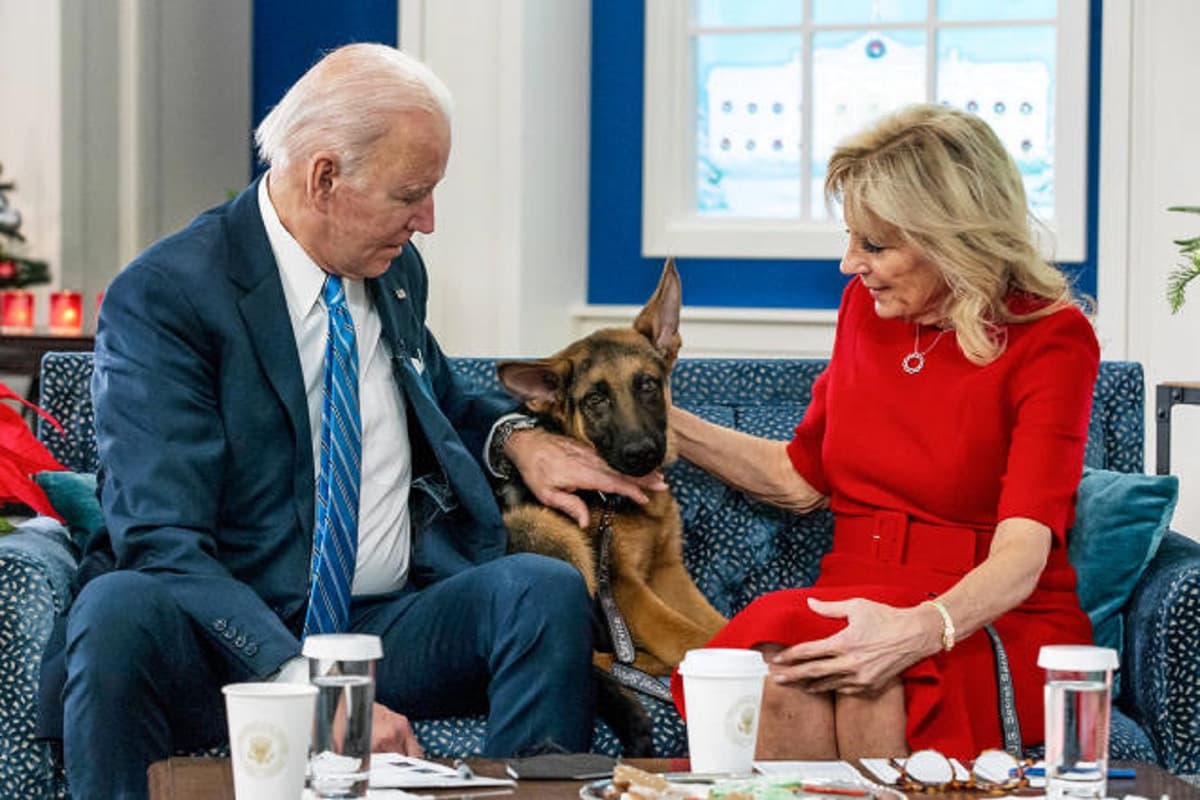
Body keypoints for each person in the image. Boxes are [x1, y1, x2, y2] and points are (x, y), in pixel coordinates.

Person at [47, 43, 663, 798]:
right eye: (412, 193)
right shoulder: (167, 297)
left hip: (384, 623)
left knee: (537, 587)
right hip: (228, 638)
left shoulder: (390, 269)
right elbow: (159, 539)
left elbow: (441, 395)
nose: (428, 221)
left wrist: (519, 439)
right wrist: (309, 681)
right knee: (118, 605)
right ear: (326, 177)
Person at [668, 104, 1098, 761]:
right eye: (851, 239)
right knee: (782, 667)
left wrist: (921, 630)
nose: (849, 265)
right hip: (852, 592)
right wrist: (655, 420)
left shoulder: (1053, 338)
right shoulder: (865, 311)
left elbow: (1023, 552)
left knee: (878, 681)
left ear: (952, 237)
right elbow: (800, 476)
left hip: (981, 614)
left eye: (874, 245)